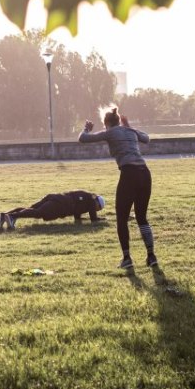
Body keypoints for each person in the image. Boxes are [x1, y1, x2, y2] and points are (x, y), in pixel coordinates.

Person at [79, 107, 158, 270]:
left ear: (107, 123)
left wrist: (86, 128)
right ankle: (151, 256)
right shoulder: (130, 131)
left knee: (122, 218)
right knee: (142, 217)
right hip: (145, 173)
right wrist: (129, 126)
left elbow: (83, 138)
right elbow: (147, 138)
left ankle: (127, 258)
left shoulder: (111, 132)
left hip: (129, 173)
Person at [0, 190, 105, 232]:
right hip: (61, 204)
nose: (96, 210)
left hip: (56, 197)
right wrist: (100, 220)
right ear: (97, 204)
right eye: (98, 208)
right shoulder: (91, 200)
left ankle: (4, 216)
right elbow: (93, 220)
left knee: (32, 209)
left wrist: (82, 218)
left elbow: (77, 217)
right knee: (38, 213)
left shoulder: (85, 198)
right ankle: (13, 217)